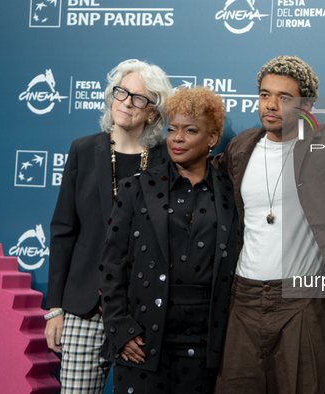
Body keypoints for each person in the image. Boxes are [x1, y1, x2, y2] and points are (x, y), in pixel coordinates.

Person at [212, 55, 325, 394]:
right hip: (243, 299)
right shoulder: (241, 148)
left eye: (284, 98)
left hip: (302, 301)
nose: (271, 105)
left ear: (307, 104)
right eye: (265, 95)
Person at [45, 59, 173, 393]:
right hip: (83, 307)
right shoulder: (83, 150)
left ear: (154, 113)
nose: (127, 102)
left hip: (141, 311)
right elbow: (63, 231)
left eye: (139, 99)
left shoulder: (165, 160)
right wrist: (55, 308)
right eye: (121, 92)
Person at [99, 86, 239, 394]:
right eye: (172, 129)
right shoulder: (136, 188)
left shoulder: (231, 195)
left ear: (212, 138)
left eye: (190, 130)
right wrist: (120, 329)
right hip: (143, 337)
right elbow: (111, 265)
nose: (177, 138)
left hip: (205, 342)